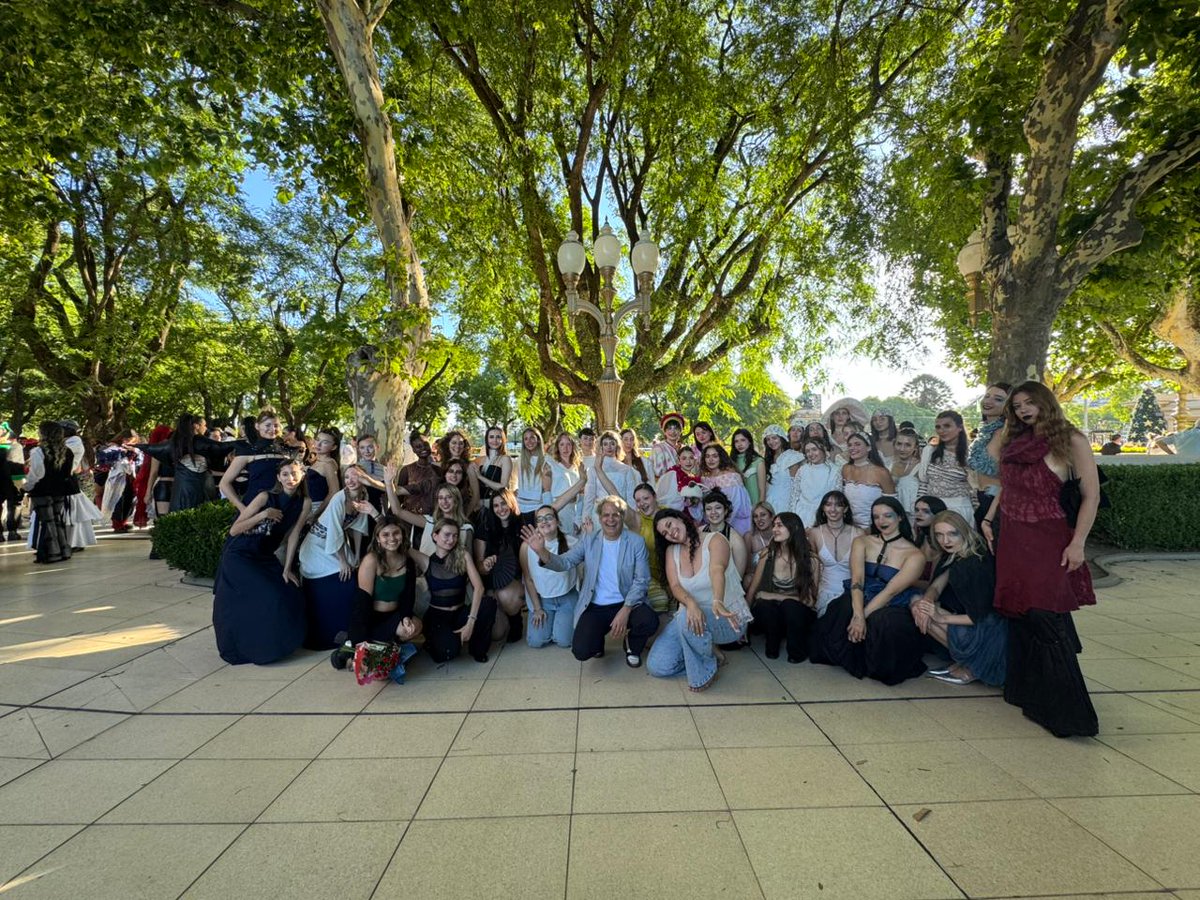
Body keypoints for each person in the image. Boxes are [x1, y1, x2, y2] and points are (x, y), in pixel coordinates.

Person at [984, 381, 1100, 737]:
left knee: (1045, 615)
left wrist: (1078, 543)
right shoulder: (1015, 440)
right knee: (1020, 615)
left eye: (1029, 402)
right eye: (1017, 405)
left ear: (1045, 402)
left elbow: (1091, 496)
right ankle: (1030, 696)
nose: (1023, 410)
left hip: (1049, 539)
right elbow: (1004, 483)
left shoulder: (1072, 439)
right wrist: (989, 519)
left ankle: (1070, 715)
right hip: (1012, 537)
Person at [520, 495, 658, 665]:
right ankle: (597, 640)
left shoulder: (636, 542)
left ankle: (632, 645)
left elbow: (642, 580)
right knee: (581, 650)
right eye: (606, 515)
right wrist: (542, 552)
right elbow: (565, 562)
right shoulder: (589, 541)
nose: (611, 519)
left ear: (622, 516)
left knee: (650, 621)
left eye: (615, 514)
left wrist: (626, 609)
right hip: (597, 605)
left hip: (626, 601)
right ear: (599, 518)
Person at [810, 497, 927, 684]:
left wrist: (862, 616)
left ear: (900, 517)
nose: (881, 521)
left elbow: (890, 591)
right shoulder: (862, 541)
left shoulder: (915, 555)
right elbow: (857, 580)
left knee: (884, 621)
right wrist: (857, 615)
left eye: (887, 515)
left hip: (893, 601)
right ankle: (842, 654)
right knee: (842, 607)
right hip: (861, 592)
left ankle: (876, 666)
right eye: (876, 517)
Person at [212, 459, 310, 665]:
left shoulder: (304, 502)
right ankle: (255, 648)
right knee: (269, 595)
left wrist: (287, 568)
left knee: (289, 592)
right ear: (278, 477)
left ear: (302, 475)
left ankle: (280, 644)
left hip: (265, 556)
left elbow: (294, 535)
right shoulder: (265, 496)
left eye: (294, 473)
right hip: (240, 555)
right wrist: (264, 514)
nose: (290, 478)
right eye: (285, 474)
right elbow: (235, 530)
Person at [646, 508, 753, 691]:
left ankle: (702, 674)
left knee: (684, 616)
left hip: (726, 617)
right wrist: (691, 603)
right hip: (690, 618)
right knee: (657, 666)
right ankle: (710, 653)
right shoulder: (671, 551)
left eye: (670, 525)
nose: (670, 533)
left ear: (680, 518)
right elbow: (675, 586)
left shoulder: (715, 539)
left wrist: (717, 601)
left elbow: (717, 570)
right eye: (664, 533)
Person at [912, 511, 1008, 686]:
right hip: (979, 624)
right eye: (939, 535)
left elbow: (980, 616)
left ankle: (972, 666)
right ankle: (965, 663)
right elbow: (936, 586)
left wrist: (939, 617)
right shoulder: (956, 554)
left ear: (963, 532)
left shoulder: (974, 563)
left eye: (952, 534)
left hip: (990, 631)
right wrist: (926, 603)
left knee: (921, 607)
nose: (945, 541)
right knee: (918, 603)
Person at [329, 515, 423, 677]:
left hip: (394, 615)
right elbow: (361, 603)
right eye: (386, 535)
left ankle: (383, 644)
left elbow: (408, 597)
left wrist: (406, 617)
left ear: (402, 535)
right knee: (377, 673)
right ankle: (351, 646)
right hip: (372, 619)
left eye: (396, 533)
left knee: (416, 626)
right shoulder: (371, 560)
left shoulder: (407, 561)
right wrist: (360, 641)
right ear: (378, 538)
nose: (392, 538)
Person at [298, 465, 373, 649]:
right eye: (347, 477)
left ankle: (351, 631)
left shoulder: (364, 495)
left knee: (354, 572)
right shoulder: (340, 498)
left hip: (338, 543)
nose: (350, 481)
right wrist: (343, 561)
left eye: (355, 476)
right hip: (319, 545)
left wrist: (356, 555)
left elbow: (358, 526)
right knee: (342, 575)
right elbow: (334, 529)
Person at [411, 517, 494, 663]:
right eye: (447, 535)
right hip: (437, 617)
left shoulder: (463, 556)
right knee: (448, 652)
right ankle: (442, 641)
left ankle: (476, 648)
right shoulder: (426, 561)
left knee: (489, 603)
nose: (451, 540)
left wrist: (471, 622)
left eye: (455, 536)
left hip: (459, 613)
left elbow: (479, 588)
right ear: (435, 536)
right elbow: (401, 545)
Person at [746, 512, 820, 662]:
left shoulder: (811, 560)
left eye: (779, 525)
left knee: (789, 606)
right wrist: (743, 624)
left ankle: (796, 652)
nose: (774, 529)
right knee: (766, 606)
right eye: (774, 525)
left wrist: (774, 596)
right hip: (772, 615)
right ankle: (772, 646)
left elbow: (810, 601)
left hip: (797, 614)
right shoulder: (768, 555)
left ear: (794, 528)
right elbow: (753, 591)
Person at [520, 505, 580, 648]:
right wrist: (537, 608)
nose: (544, 522)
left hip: (567, 597)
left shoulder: (572, 542)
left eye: (549, 517)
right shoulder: (526, 547)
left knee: (564, 641)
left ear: (557, 521)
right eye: (540, 519)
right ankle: (553, 626)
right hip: (543, 600)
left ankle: (559, 626)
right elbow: (528, 579)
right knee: (535, 641)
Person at [219, 409, 299, 512]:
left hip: (282, 507)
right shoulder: (248, 450)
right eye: (268, 425)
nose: (272, 429)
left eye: (276, 425)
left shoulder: (287, 451)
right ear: (257, 426)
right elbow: (224, 483)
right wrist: (243, 509)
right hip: (253, 507)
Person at [474, 488, 527, 642]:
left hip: (516, 581)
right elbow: (479, 566)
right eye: (496, 505)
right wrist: (485, 565)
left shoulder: (521, 524)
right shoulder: (485, 527)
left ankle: (516, 621)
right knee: (497, 634)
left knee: (505, 595)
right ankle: (504, 613)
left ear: (511, 503)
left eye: (503, 503)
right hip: (491, 582)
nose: (500, 509)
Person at [24, 421, 75, 564]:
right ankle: (64, 550)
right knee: (57, 520)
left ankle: (52, 552)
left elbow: (37, 474)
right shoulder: (68, 451)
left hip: (42, 490)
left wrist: (27, 486)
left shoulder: (38, 451)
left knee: (47, 521)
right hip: (60, 490)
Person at [918, 411, 975, 522]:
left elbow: (975, 489)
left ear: (959, 428)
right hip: (932, 509)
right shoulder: (929, 450)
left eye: (947, 426)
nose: (941, 430)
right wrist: (920, 510)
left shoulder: (970, 454)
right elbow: (923, 484)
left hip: (959, 510)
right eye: (938, 427)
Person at [968, 383, 1011, 529]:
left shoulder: (1007, 432)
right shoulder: (984, 432)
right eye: (987, 396)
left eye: (998, 399)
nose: (988, 401)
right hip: (979, 499)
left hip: (998, 503)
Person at [60, 420, 101, 551]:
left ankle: (77, 542)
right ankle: (72, 541)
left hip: (76, 480)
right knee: (75, 513)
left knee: (76, 514)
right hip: (76, 480)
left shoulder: (74, 442)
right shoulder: (73, 442)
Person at [631, 482, 672, 613]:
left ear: (655, 497)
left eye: (646, 498)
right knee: (661, 601)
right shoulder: (638, 519)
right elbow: (616, 498)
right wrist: (599, 471)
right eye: (638, 500)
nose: (642, 503)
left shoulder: (670, 515)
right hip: (648, 577)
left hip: (671, 574)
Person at [583, 430, 638, 528]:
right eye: (605, 444)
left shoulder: (626, 469)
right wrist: (585, 518)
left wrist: (632, 519)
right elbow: (589, 497)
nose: (609, 447)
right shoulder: (593, 469)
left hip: (620, 514)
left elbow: (631, 497)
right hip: (599, 516)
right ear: (601, 447)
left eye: (612, 443)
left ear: (617, 446)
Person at [841, 432, 895, 528]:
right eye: (850, 445)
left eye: (857, 444)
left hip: (874, 526)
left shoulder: (881, 472)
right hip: (849, 525)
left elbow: (891, 504)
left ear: (869, 447)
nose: (852, 448)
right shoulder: (846, 469)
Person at [396, 432, 441, 542]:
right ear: (413, 450)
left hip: (432, 520)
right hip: (409, 520)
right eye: (418, 447)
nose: (423, 448)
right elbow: (398, 497)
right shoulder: (406, 470)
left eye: (425, 444)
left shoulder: (439, 470)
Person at [699, 443, 752, 535]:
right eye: (707, 456)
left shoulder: (731, 476)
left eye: (715, 456)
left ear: (721, 457)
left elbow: (736, 505)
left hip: (734, 524)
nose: (711, 460)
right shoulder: (704, 479)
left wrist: (722, 527)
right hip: (711, 524)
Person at [789, 438, 842, 528]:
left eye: (814, 449)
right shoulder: (802, 470)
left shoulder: (834, 471)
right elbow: (795, 495)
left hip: (823, 515)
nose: (811, 454)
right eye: (807, 451)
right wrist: (793, 515)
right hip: (801, 514)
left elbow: (836, 496)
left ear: (823, 449)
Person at [543, 432, 587, 535]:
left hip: (573, 511)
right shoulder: (550, 464)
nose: (565, 448)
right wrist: (550, 515)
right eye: (562, 444)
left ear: (573, 446)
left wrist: (578, 518)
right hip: (558, 511)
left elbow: (581, 495)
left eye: (568, 444)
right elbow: (546, 491)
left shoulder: (578, 466)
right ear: (558, 447)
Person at [701, 487, 749, 578]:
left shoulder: (736, 540)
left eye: (718, 508)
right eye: (708, 509)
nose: (713, 512)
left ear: (726, 510)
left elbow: (738, 576)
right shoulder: (699, 532)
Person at [762, 424, 803, 515]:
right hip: (770, 502)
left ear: (781, 438)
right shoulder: (768, 459)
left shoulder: (792, 457)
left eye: (774, 438)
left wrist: (793, 507)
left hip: (786, 502)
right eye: (768, 439)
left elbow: (795, 485)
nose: (771, 442)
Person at [436, 430, 481, 505]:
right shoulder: (438, 465)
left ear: (464, 446)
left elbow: (476, 496)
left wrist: (466, 512)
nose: (457, 446)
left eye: (461, 443)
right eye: (454, 443)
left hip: (463, 508)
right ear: (447, 444)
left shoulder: (469, 466)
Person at [307, 427, 343, 521]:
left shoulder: (329, 464)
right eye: (317, 439)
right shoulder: (317, 460)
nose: (318, 444)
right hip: (308, 505)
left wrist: (316, 513)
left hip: (318, 508)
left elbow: (334, 491)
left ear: (334, 447)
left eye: (325, 442)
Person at [476, 425, 514, 509]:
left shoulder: (505, 459)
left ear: (503, 440)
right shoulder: (481, 459)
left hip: (496, 505)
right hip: (479, 504)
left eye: (498, 437)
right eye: (491, 437)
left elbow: (503, 486)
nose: (495, 440)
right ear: (487, 439)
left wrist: (480, 477)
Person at [655, 444, 702, 512]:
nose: (688, 461)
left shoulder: (693, 477)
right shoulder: (672, 474)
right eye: (684, 458)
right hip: (674, 513)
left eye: (691, 458)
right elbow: (663, 498)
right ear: (679, 460)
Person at [0, 420, 26, 541]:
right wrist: (21, 485)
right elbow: (18, 466)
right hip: (14, 480)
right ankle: (12, 532)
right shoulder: (16, 446)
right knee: (15, 505)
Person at [515, 427, 547, 520]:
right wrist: (514, 490)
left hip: (538, 506)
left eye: (532, 437)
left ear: (538, 440)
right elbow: (513, 479)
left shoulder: (546, 460)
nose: (529, 441)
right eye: (526, 439)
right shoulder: (520, 459)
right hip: (520, 505)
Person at [891, 427, 922, 521]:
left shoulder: (920, 467)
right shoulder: (888, 464)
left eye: (907, 445)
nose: (902, 449)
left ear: (915, 447)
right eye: (899, 444)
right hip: (891, 515)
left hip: (913, 518)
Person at [731, 428, 767, 508]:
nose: (739, 444)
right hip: (738, 506)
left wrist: (760, 508)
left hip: (755, 505)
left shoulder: (758, 461)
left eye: (743, 440)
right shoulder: (731, 463)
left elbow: (762, 490)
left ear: (749, 442)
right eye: (736, 441)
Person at [650, 412, 687, 479]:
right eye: (669, 428)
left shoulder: (685, 449)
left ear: (681, 430)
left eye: (676, 428)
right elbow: (656, 473)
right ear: (664, 431)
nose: (673, 432)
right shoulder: (658, 448)